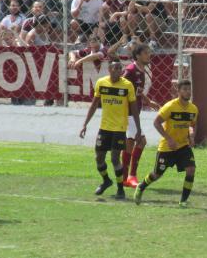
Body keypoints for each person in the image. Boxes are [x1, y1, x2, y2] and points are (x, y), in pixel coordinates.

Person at [79, 61, 140, 200]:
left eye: (120, 68)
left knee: (114, 158)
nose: (119, 70)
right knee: (99, 158)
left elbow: (134, 108)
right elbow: (94, 104)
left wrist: (138, 128)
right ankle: (106, 180)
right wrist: (85, 124)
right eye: (116, 68)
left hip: (119, 128)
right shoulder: (101, 83)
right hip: (104, 127)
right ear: (109, 69)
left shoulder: (127, 85)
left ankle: (120, 190)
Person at [134, 79, 198, 207]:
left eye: (189, 89)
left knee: (191, 169)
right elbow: (156, 123)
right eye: (184, 89)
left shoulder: (193, 109)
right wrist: (169, 138)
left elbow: (193, 125)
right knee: (157, 174)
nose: (187, 92)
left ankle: (183, 201)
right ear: (178, 91)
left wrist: (192, 136)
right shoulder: (170, 106)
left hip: (183, 146)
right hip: (167, 147)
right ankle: (142, 186)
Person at [121, 43, 159, 187]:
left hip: (133, 113)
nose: (149, 55)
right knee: (141, 142)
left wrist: (149, 101)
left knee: (129, 143)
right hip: (129, 113)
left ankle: (125, 178)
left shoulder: (141, 70)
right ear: (137, 55)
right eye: (146, 53)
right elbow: (122, 86)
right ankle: (131, 176)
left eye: (149, 53)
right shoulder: (130, 70)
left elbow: (137, 91)